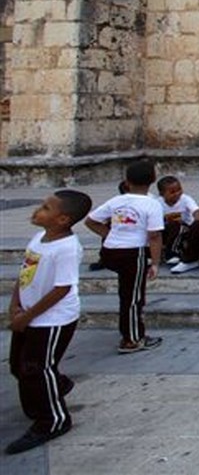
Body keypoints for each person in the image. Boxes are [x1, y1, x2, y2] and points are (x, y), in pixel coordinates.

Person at [5, 189, 91, 455]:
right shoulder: (38, 238)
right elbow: (25, 273)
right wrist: (15, 305)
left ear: (62, 219)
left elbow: (61, 289)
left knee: (37, 368)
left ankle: (54, 420)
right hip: (28, 314)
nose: (37, 211)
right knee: (19, 366)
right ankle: (46, 395)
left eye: (45, 208)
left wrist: (28, 317)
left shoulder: (66, 248)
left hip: (52, 319)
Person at [84, 159, 164, 354]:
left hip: (110, 251)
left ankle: (131, 333)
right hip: (132, 253)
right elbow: (154, 236)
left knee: (126, 293)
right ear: (153, 180)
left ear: (127, 181)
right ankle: (132, 339)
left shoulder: (116, 201)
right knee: (133, 297)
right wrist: (155, 263)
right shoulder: (152, 204)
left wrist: (110, 235)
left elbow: (91, 221)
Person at [156, 175, 199, 267]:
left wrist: (198, 223)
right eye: (172, 192)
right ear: (162, 194)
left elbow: (196, 212)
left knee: (178, 226)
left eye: (179, 189)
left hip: (185, 227)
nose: (177, 193)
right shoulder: (157, 203)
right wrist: (165, 218)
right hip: (166, 229)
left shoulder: (185, 199)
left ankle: (172, 254)